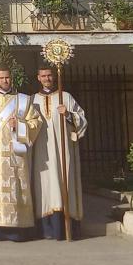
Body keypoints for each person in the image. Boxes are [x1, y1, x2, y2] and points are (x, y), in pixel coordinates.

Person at [0, 65, 42, 242]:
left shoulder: (24, 101)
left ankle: (19, 229)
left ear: (12, 78)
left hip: (17, 155)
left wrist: (20, 126)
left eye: (8, 78)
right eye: (2, 78)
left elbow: (36, 122)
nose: (5, 81)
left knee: (18, 188)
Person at [32, 65, 88, 240]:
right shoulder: (33, 100)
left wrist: (69, 115)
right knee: (44, 187)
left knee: (64, 183)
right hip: (42, 154)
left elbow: (82, 119)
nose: (47, 78)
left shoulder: (65, 97)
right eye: (43, 76)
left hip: (64, 152)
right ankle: (47, 229)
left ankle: (65, 228)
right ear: (38, 78)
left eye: (49, 75)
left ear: (54, 77)